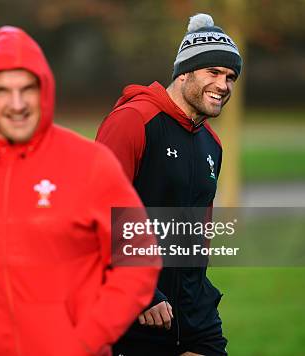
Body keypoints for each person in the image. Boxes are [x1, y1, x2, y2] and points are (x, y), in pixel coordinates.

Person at [0, 26, 160, 356]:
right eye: (2, 91)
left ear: (45, 90)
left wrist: (84, 340)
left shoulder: (91, 162)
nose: (17, 104)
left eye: (27, 89)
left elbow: (139, 256)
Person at [96, 14, 243, 356]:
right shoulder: (133, 121)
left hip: (192, 311)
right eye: (214, 72)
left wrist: (199, 294)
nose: (224, 85)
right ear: (185, 71)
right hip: (136, 310)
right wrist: (143, 293)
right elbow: (98, 213)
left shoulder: (212, 143)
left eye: (231, 76)